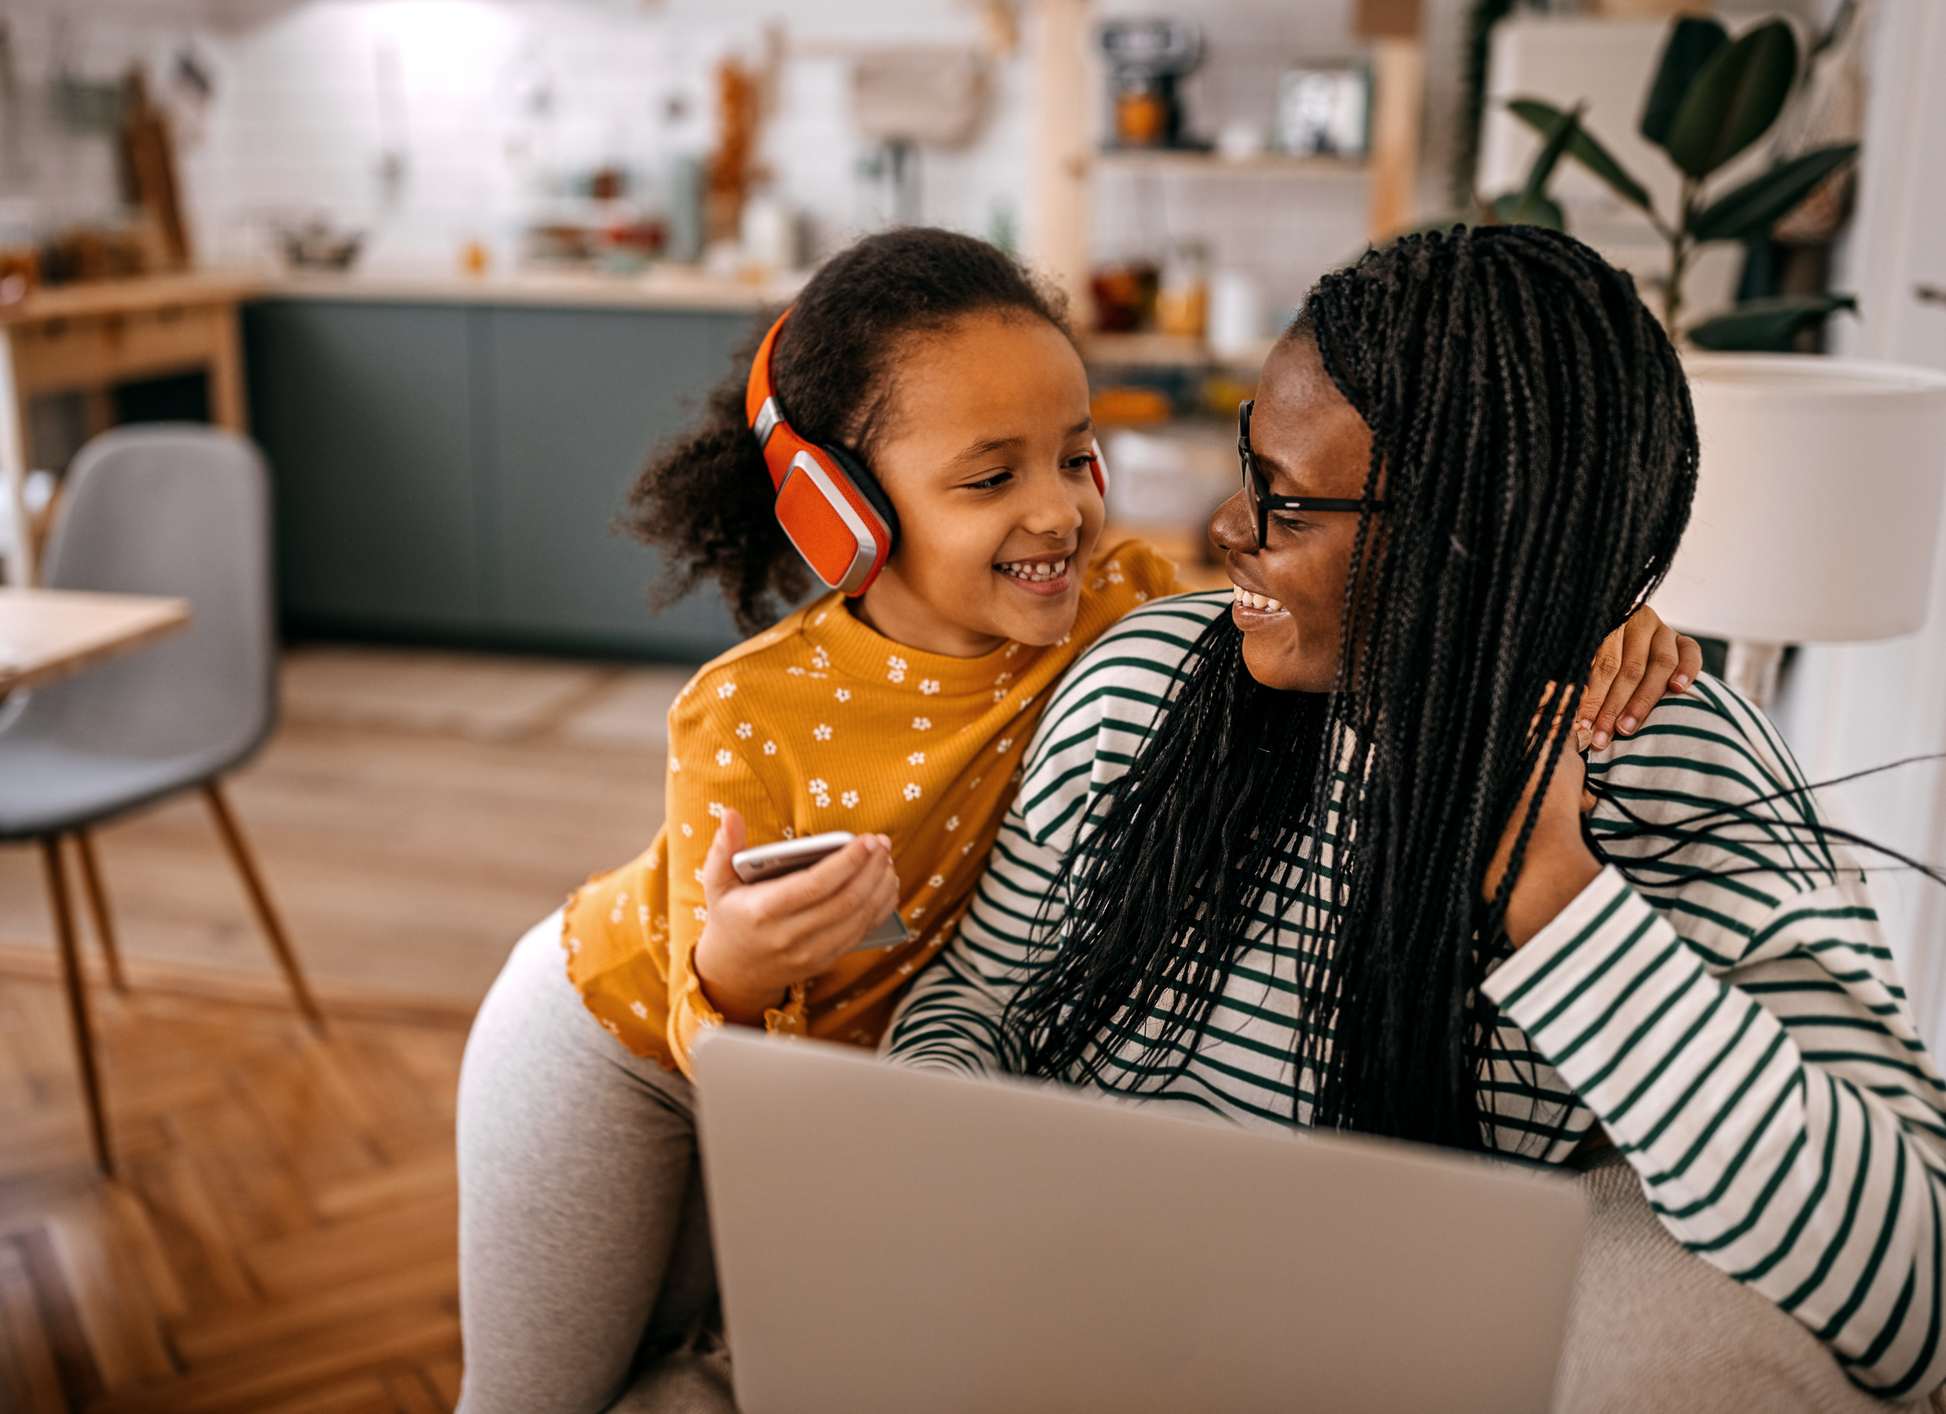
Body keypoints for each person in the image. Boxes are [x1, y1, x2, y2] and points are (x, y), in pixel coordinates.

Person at [456, 226, 1696, 1414]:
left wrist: (1576, 605)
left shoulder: (1124, 607)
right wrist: (735, 964)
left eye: (1074, 454)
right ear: (838, 509)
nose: (1056, 510)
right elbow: (696, 1008)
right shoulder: (744, 713)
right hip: (623, 1042)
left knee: (716, 1344)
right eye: (991, 477)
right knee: (539, 1394)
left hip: (833, 1087)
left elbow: (1333, 601)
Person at [883, 225, 1946, 1404]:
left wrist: (1556, 898)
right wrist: (933, 1189)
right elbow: (984, 1000)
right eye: (1252, 471)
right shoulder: (1143, 681)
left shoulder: (1676, 773)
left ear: (1461, 543)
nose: (1226, 531)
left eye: (1285, 505)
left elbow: (1917, 1295)